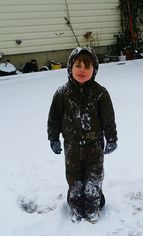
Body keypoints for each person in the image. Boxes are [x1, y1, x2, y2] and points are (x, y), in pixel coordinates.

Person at [47, 47, 118, 223]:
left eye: (87, 67)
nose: (82, 71)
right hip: (71, 147)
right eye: (78, 66)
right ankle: (77, 209)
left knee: (93, 180)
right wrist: (53, 137)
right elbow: (53, 118)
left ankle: (93, 208)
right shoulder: (62, 93)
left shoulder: (100, 93)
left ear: (95, 69)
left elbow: (108, 119)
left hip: (94, 147)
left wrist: (111, 139)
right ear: (70, 67)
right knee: (74, 180)